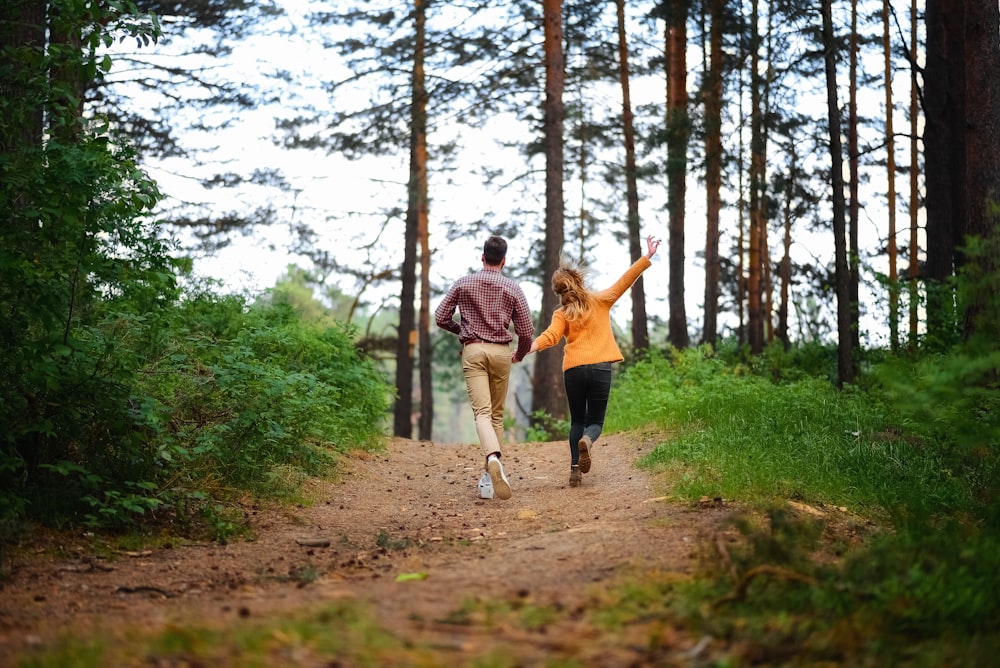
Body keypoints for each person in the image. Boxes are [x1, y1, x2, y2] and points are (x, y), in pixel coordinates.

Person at [515, 235, 661, 487]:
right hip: (600, 368)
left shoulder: (561, 314)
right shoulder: (600, 300)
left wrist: (527, 348)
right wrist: (647, 256)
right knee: (594, 423)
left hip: (574, 369)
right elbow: (624, 282)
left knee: (577, 421)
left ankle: (574, 470)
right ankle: (588, 441)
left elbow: (549, 337)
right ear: (578, 281)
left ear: (559, 291)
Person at [435, 235, 534, 500]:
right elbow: (526, 332)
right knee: (496, 416)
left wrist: (463, 332)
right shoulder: (514, 289)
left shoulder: (463, 283)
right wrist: (521, 354)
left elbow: (440, 316)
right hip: (501, 353)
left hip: (474, 350)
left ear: (482, 257)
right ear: (504, 260)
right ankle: (488, 479)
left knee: (482, 413)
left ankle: (492, 459)